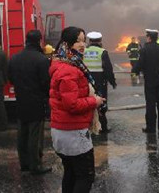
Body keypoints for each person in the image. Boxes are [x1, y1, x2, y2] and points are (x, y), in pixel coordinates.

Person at [50, 26, 105, 193]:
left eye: (84, 41)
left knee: (71, 173)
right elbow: (72, 104)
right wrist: (94, 101)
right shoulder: (69, 69)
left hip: (63, 130)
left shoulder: (65, 63)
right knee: (85, 176)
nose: (82, 45)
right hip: (73, 133)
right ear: (67, 44)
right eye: (78, 41)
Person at [8, 30, 52, 175]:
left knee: (22, 133)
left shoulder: (14, 58)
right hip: (36, 102)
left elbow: (11, 79)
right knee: (35, 135)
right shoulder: (41, 59)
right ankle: (36, 165)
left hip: (21, 100)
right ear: (39, 41)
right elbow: (46, 83)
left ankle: (24, 163)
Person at [132, 29, 159, 133]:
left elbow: (140, 64)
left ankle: (150, 127)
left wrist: (134, 72)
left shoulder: (145, 50)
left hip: (149, 80)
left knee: (150, 104)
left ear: (149, 37)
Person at [83, 31, 117, 133]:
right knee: (101, 103)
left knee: (87, 103)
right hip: (100, 81)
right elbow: (108, 69)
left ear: (89, 41)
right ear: (100, 41)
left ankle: (86, 127)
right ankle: (103, 127)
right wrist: (112, 81)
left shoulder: (83, 51)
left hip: (86, 81)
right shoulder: (103, 52)